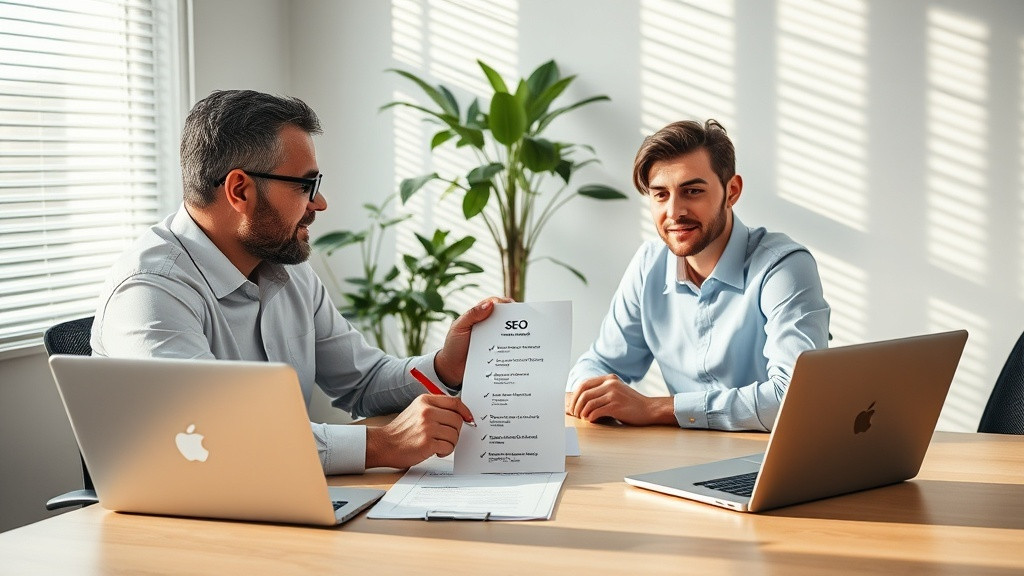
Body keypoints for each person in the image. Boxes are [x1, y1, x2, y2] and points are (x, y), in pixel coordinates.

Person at [92, 89, 508, 474]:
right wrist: (380, 445)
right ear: (240, 190)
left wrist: (444, 365)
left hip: (272, 499)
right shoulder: (149, 292)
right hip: (176, 527)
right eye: (307, 185)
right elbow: (218, 433)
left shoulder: (285, 269)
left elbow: (361, 382)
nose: (320, 203)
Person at [565, 119, 830, 431]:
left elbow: (793, 398)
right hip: (684, 457)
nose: (674, 211)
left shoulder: (782, 267)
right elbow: (600, 364)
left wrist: (654, 408)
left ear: (731, 191)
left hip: (769, 458)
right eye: (660, 195)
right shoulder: (649, 264)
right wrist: (590, 394)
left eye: (691, 191)